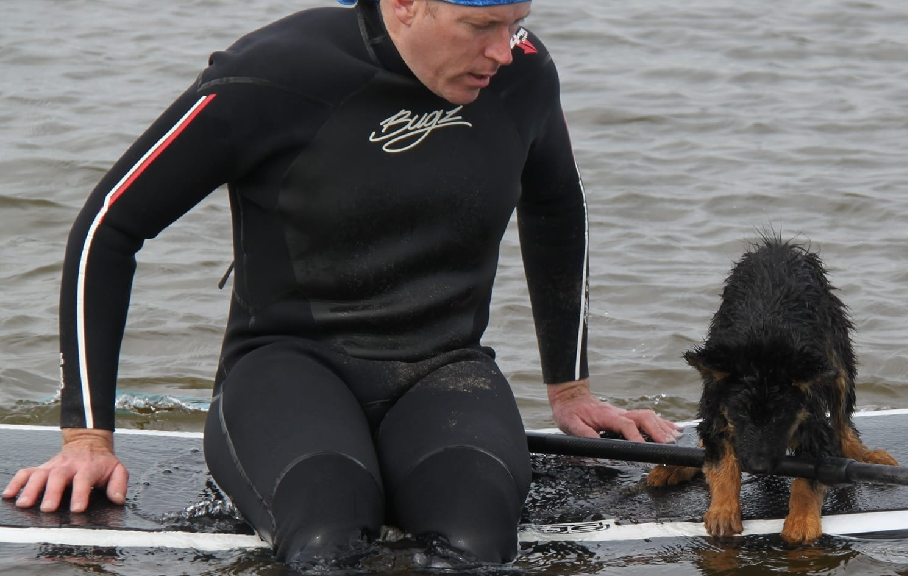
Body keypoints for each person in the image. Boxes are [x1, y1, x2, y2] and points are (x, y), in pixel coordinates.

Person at [3, 0, 680, 567]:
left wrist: (570, 390)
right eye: (481, 28)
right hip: (286, 369)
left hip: (445, 370)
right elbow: (108, 227)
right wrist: (86, 439)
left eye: (517, 22)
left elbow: (557, 206)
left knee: (478, 544)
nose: (505, 50)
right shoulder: (273, 75)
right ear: (405, 4)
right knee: (327, 541)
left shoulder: (524, 74)